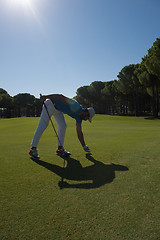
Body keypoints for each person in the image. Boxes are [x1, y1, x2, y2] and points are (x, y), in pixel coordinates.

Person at [29, 94, 95, 159]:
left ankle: (60, 149)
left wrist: (84, 146)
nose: (86, 120)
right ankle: (33, 149)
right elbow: (60, 97)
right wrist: (45, 97)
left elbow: (79, 132)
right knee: (43, 125)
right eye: (87, 118)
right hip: (50, 104)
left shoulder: (79, 118)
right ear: (86, 113)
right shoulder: (75, 105)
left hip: (58, 110)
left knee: (63, 126)